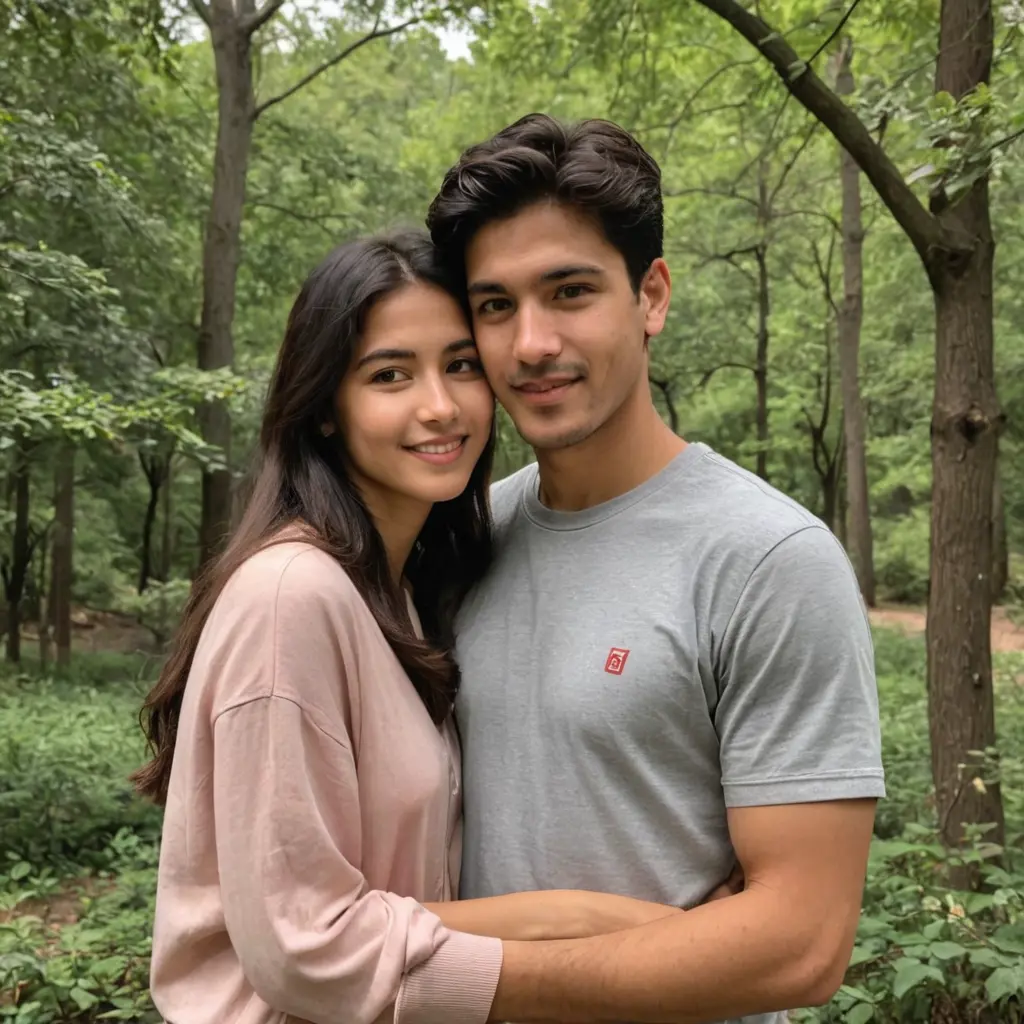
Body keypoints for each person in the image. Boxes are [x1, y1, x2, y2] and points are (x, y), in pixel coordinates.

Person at [131, 232, 694, 1024]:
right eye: (390, 375)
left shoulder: (399, 594)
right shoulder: (291, 595)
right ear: (325, 409)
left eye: (460, 365)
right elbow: (307, 945)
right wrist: (588, 922)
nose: (440, 405)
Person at [426, 114, 886, 1023]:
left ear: (652, 297)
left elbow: (802, 944)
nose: (531, 343)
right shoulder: (460, 541)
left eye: (570, 292)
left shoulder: (768, 562)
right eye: (495, 305)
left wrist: (445, 974)